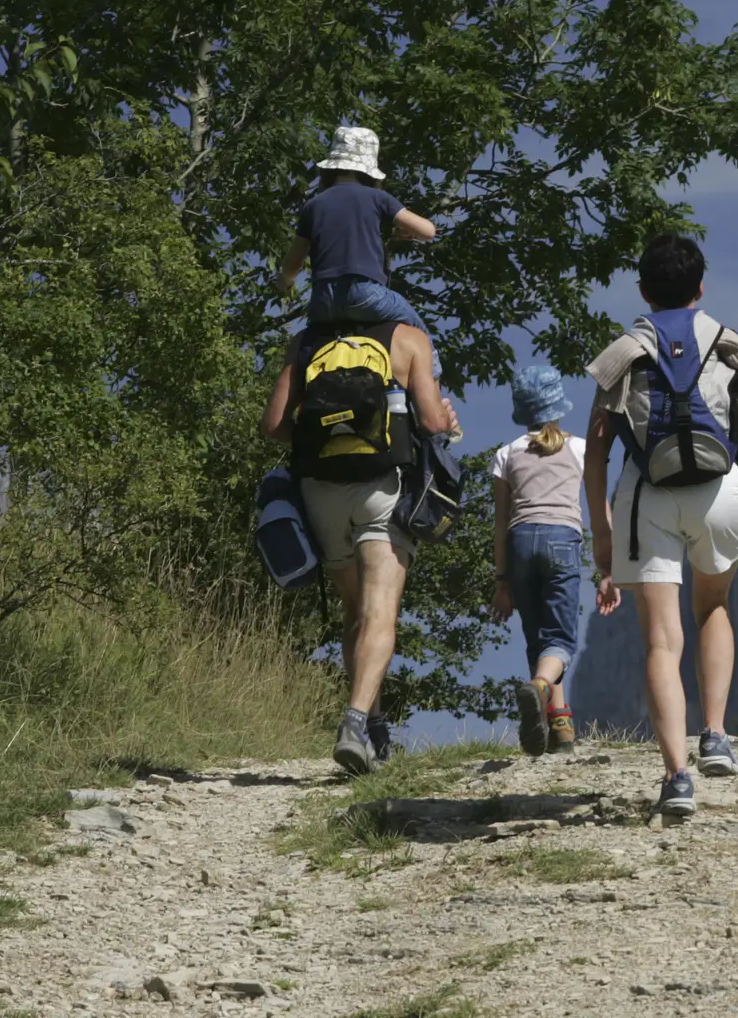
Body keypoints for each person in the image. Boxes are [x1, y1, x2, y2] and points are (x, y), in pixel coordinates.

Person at [583, 233, 738, 817]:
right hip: (720, 494)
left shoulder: (621, 353)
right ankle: (716, 734)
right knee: (713, 607)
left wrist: (602, 530)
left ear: (643, 290)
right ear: (701, 288)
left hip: (647, 496)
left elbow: (595, 453)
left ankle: (676, 776)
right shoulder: (728, 344)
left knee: (661, 640)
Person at [260, 315, 458, 775]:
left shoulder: (306, 342)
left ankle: (376, 730)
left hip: (321, 489)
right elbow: (431, 423)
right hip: (381, 488)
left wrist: (316, 438)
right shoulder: (406, 339)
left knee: (355, 613)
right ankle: (354, 725)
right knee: (380, 612)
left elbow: (273, 426)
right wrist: (442, 420)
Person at [490, 365, 613, 757]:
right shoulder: (579, 449)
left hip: (519, 543)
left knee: (537, 639)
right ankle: (542, 692)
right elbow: (599, 511)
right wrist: (606, 569)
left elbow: (499, 524)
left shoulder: (505, 454)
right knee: (559, 639)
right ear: (558, 406)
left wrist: (501, 581)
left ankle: (558, 727)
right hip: (563, 540)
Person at [274, 125, 440, 364]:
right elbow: (428, 231)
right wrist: (405, 232)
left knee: (303, 351)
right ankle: (433, 394)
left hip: (322, 301)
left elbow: (293, 263)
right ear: (369, 171)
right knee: (420, 334)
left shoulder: (314, 205)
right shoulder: (378, 197)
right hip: (365, 294)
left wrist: (285, 283)